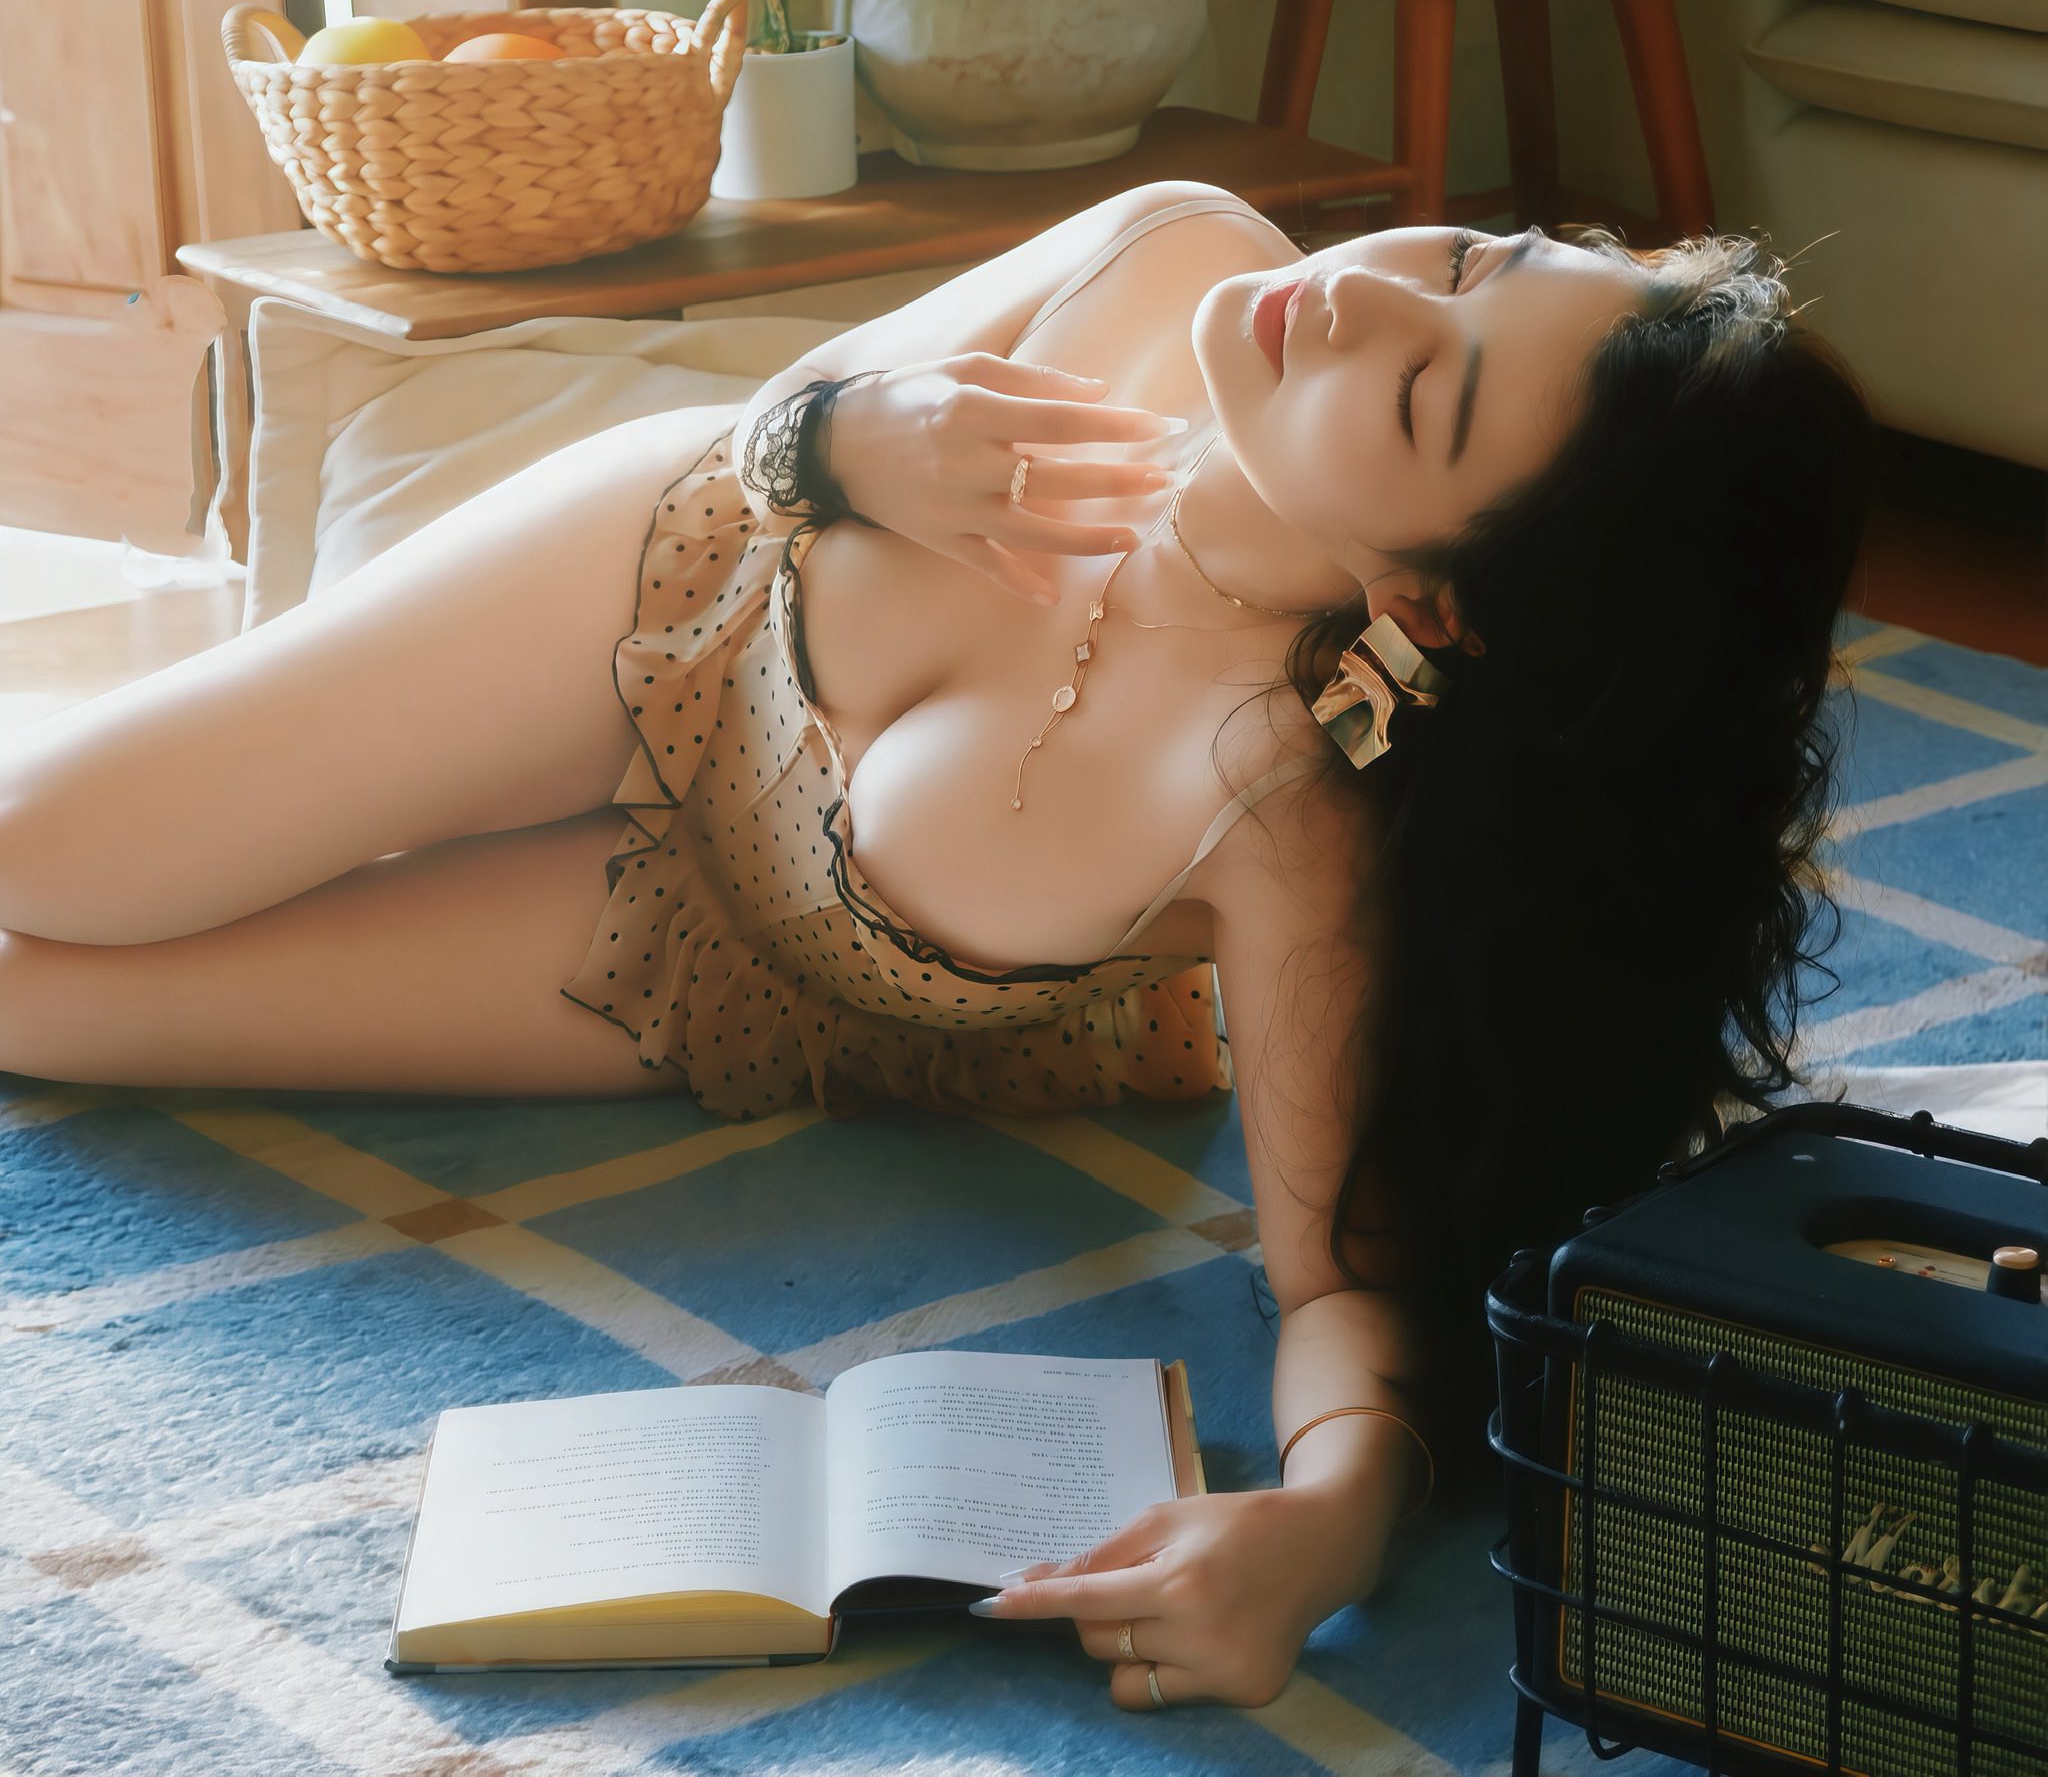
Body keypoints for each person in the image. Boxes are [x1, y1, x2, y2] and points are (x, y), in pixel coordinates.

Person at [0, 178, 1873, 1713]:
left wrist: (1328, 1526)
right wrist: (851, 435)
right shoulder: (1170, 257)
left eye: (1420, 397)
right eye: (1472, 258)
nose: (1365, 295)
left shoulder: (1284, 812)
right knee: (43, 853)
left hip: (725, 958)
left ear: (1434, 607)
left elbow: (1339, 1285)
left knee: (38, 996)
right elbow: (779, 425)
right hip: (651, 591)